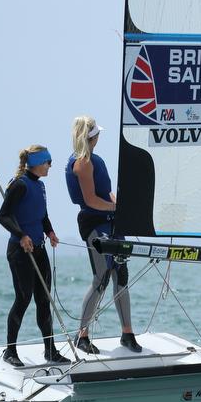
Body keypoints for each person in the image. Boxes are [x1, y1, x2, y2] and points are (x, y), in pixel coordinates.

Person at [66, 116, 141, 354]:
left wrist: (122, 209)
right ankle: (82, 335)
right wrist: (115, 209)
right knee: (101, 278)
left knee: (121, 274)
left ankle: (127, 333)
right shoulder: (83, 163)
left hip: (111, 222)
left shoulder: (96, 160)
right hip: (94, 223)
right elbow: (90, 201)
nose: (99, 137)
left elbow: (106, 194)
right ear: (90, 137)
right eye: (97, 134)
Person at [0, 145, 70, 367]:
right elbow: (3, 216)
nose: (50, 166)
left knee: (43, 300)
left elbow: (42, 215)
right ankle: (10, 351)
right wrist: (21, 235)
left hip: (39, 249)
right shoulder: (19, 185)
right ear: (38, 162)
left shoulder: (40, 186)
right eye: (48, 162)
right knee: (23, 299)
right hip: (21, 252)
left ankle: (50, 350)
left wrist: (50, 231)